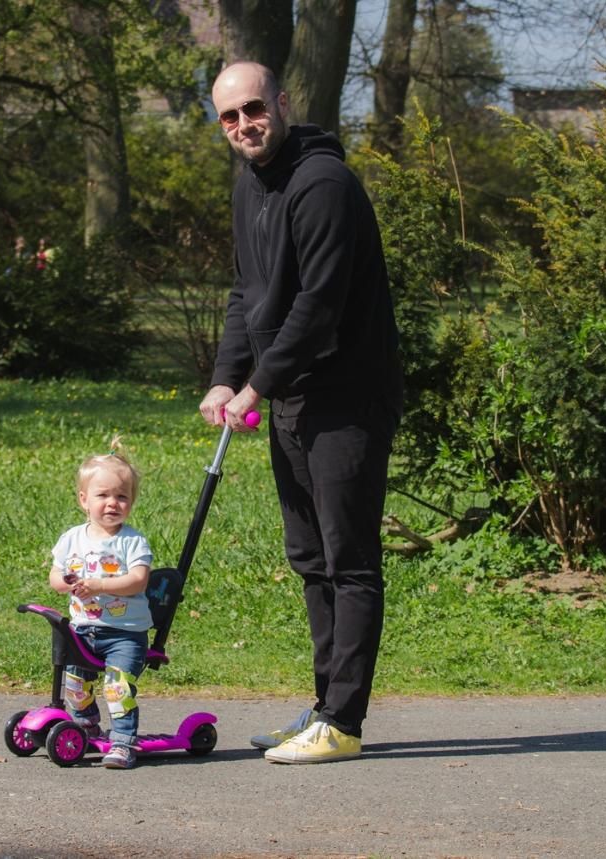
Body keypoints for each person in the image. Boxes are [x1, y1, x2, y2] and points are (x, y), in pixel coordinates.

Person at [199, 61, 405, 764]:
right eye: (228, 117)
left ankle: (343, 721)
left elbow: (318, 309)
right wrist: (228, 378)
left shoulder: (323, 186)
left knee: (348, 560)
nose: (243, 126)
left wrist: (257, 385)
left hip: (346, 398)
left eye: (252, 109)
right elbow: (247, 295)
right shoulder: (249, 186)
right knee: (310, 556)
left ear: (281, 103)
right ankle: (323, 708)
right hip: (291, 398)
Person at [48, 440, 153, 769]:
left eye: (121, 497)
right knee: (76, 683)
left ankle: (122, 742)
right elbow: (55, 576)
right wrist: (67, 583)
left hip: (124, 633)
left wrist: (99, 585)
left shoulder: (132, 541)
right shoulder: (72, 539)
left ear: (131, 502)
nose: (112, 504)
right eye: (103, 496)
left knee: (117, 687)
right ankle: (86, 725)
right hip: (83, 628)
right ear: (84, 500)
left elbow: (138, 580)